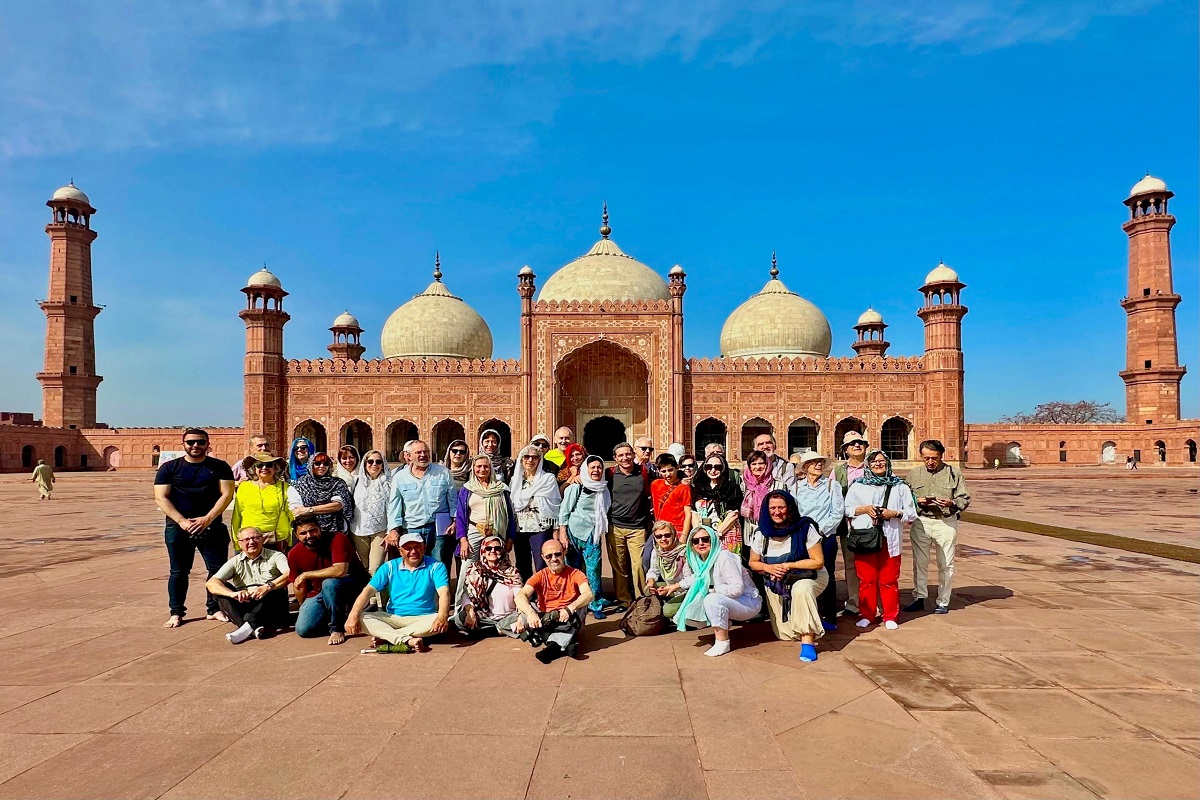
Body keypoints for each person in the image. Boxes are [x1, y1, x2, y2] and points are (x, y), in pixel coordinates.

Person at [154, 429, 235, 628]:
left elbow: (227, 494)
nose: (195, 446)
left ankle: (214, 608)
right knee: (179, 571)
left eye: (200, 442)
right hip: (178, 527)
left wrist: (207, 518)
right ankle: (176, 612)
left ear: (208, 444)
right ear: (183, 444)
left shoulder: (219, 467)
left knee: (217, 570)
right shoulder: (170, 468)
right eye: (191, 442)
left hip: (211, 526)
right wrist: (181, 521)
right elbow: (161, 497)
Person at [748, 491, 828, 662]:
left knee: (802, 589)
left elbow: (818, 562)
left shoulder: (805, 528)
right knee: (787, 634)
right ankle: (815, 620)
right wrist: (768, 567)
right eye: (773, 508)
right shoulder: (761, 533)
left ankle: (808, 642)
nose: (777, 512)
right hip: (778, 582)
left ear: (789, 508)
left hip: (810, 576)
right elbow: (753, 562)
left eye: (782, 507)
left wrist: (788, 565)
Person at [845, 450, 917, 629]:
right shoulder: (858, 485)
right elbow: (846, 509)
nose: (878, 464)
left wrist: (894, 513)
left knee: (889, 579)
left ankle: (890, 615)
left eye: (881, 461)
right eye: (874, 461)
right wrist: (864, 509)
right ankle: (867, 614)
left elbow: (912, 513)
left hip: (890, 538)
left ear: (887, 463)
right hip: (865, 538)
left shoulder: (900, 486)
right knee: (867, 579)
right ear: (868, 465)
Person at [347, 531, 451, 653]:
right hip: (393, 617)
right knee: (360, 617)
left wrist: (442, 616)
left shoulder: (436, 566)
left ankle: (389, 637)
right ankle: (407, 639)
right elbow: (368, 590)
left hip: (424, 617)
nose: (413, 551)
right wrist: (352, 615)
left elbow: (444, 592)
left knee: (440, 620)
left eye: (417, 546)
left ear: (424, 547)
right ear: (400, 551)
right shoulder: (389, 567)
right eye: (408, 548)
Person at [903, 439, 971, 615]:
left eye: (934, 458)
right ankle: (919, 597)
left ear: (941, 456)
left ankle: (943, 601)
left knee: (946, 563)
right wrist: (917, 501)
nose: (930, 462)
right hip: (922, 521)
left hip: (946, 521)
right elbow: (903, 498)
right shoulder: (914, 474)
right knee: (920, 562)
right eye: (926, 458)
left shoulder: (954, 474)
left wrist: (952, 502)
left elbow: (964, 498)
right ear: (921, 456)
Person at [674, 525, 762, 657]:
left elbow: (737, 589)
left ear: (713, 539)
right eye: (696, 541)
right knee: (698, 597)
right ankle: (725, 623)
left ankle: (722, 642)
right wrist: (675, 586)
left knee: (711, 599)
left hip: (748, 602)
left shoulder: (724, 556)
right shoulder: (704, 561)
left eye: (705, 539)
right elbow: (697, 578)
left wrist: (713, 589)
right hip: (734, 601)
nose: (701, 543)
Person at [288, 513, 368, 645]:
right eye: (303, 533)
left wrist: (306, 574)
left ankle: (336, 628)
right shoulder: (294, 553)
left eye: (312, 530)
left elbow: (340, 570)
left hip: (351, 585)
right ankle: (340, 617)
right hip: (319, 593)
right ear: (296, 536)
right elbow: (298, 585)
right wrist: (304, 607)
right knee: (303, 630)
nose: (309, 535)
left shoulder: (338, 538)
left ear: (320, 528)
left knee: (329, 583)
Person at [513, 538, 594, 663]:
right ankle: (565, 645)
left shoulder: (576, 574)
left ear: (564, 553)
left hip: (566, 619)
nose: (554, 559)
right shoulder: (540, 575)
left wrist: (569, 608)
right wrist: (530, 614)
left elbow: (588, 594)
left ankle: (552, 645)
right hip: (546, 617)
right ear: (543, 557)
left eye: (557, 554)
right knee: (526, 607)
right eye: (548, 556)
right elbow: (520, 595)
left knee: (581, 606)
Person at [205, 526, 291, 643]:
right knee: (221, 592)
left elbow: (289, 574)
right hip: (246, 602)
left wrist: (267, 586)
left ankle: (244, 628)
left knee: (276, 590)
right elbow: (211, 583)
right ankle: (251, 628)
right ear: (240, 544)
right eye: (246, 540)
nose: (251, 542)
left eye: (255, 538)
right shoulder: (234, 561)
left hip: (270, 602)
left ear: (262, 539)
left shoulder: (276, 556)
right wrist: (233, 594)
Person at [790, 451, 845, 629]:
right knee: (803, 574)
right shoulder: (796, 488)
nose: (819, 465)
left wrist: (820, 531)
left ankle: (829, 616)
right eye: (814, 462)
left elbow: (837, 512)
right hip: (804, 537)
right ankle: (806, 614)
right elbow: (794, 513)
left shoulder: (831, 485)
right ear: (806, 467)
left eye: (820, 462)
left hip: (825, 536)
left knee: (827, 573)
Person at [386, 440, 457, 569]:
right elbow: (394, 505)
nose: (423, 455)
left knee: (438, 564)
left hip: (438, 527)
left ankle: (439, 589)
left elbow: (453, 499)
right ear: (409, 456)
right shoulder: (400, 477)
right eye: (418, 452)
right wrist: (393, 529)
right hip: (412, 527)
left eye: (426, 452)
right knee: (414, 564)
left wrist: (455, 520)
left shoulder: (443, 472)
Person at [557, 454, 611, 619]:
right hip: (574, 532)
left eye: (599, 467)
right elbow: (564, 511)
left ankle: (595, 602)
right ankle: (574, 601)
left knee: (593, 568)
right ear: (586, 469)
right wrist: (563, 533)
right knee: (572, 569)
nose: (596, 470)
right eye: (592, 467)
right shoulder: (576, 487)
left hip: (592, 533)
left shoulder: (603, 487)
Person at [606, 442, 652, 610]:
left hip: (637, 527)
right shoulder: (609, 474)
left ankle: (641, 598)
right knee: (619, 566)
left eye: (627, 454)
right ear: (615, 458)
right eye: (621, 455)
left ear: (633, 454)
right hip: (615, 526)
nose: (625, 458)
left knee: (638, 565)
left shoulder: (644, 472)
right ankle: (624, 600)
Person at [452, 534, 524, 637]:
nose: (492, 551)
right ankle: (505, 629)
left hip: (509, 616)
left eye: (497, 548)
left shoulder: (512, 572)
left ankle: (490, 631)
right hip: (485, 617)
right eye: (488, 548)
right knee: (460, 619)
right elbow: (467, 595)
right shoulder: (474, 570)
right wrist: (470, 612)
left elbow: (520, 595)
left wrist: (521, 616)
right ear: (483, 552)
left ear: (502, 550)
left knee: (529, 612)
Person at [509, 444, 562, 580]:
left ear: (540, 460)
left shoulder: (548, 479)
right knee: (522, 563)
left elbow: (555, 505)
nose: (530, 460)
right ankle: (527, 595)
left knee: (542, 562)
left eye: (534, 457)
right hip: (520, 527)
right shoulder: (516, 480)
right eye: (526, 457)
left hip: (541, 527)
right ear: (521, 459)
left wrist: (556, 529)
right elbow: (512, 503)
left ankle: (542, 595)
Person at [832, 431, 870, 618]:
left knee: (872, 563)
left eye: (860, 442)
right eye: (852, 443)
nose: (857, 445)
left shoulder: (875, 466)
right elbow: (831, 495)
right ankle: (855, 602)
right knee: (851, 564)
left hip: (872, 524)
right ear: (845, 449)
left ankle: (873, 602)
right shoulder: (839, 471)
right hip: (849, 525)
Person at [455, 455, 516, 560]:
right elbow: (460, 515)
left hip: (498, 531)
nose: (482, 469)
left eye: (486, 466)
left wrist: (510, 538)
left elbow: (509, 514)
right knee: (468, 567)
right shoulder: (467, 489)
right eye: (478, 466)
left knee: (498, 565)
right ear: (473, 468)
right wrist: (463, 540)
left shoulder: (501, 488)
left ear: (491, 468)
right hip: (475, 530)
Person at [230, 452, 293, 550]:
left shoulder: (285, 488)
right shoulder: (244, 487)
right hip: (249, 540)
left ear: (275, 468)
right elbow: (237, 516)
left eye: (269, 465)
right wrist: (237, 542)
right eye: (259, 465)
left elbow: (291, 515)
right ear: (254, 468)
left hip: (278, 539)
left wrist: (291, 541)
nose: (264, 468)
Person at [287, 452, 354, 535]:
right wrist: (325, 508)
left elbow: (337, 505)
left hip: (336, 530)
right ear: (311, 465)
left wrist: (309, 510)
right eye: (317, 463)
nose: (322, 466)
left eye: (325, 464)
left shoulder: (337, 483)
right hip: (309, 534)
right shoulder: (299, 485)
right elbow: (298, 511)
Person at [690, 453, 743, 553]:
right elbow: (694, 513)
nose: (713, 470)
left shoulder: (731, 487)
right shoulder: (699, 488)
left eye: (717, 467)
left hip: (726, 534)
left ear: (723, 468)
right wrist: (699, 533)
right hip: (703, 536)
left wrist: (718, 534)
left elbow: (733, 514)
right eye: (709, 467)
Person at [351, 449, 392, 576]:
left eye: (378, 461)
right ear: (364, 463)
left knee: (375, 568)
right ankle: (373, 596)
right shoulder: (356, 481)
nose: (374, 464)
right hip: (358, 531)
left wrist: (391, 530)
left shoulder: (389, 482)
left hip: (381, 530)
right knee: (366, 568)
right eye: (370, 461)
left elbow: (393, 507)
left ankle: (377, 596)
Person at [739, 450, 788, 554]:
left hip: (772, 530)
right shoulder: (744, 484)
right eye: (754, 464)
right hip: (750, 530)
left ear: (767, 465)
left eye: (761, 463)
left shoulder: (778, 485)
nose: (757, 467)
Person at [644, 520, 691, 620]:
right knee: (647, 589)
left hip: (686, 590)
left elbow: (691, 580)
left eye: (667, 535)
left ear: (673, 535)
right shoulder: (657, 551)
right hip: (670, 586)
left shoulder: (684, 552)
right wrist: (651, 581)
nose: (663, 539)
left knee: (668, 611)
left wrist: (673, 588)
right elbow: (653, 570)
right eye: (659, 536)